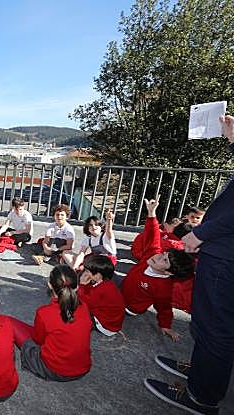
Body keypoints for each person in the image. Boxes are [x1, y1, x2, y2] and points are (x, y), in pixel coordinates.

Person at [144, 114, 234, 414]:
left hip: (225, 255)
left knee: (215, 328)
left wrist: (201, 233)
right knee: (210, 325)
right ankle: (201, 372)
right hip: (222, 251)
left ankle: (201, 396)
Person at [121, 196, 194, 341]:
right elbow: (153, 234)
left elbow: (164, 308)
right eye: (163, 254)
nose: (159, 256)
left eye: (164, 260)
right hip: (122, 288)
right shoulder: (153, 254)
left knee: (96, 294)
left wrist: (165, 325)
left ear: (168, 272)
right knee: (99, 267)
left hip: (129, 307)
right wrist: (151, 213)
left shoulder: (163, 287)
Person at [13, 264, 92, 381]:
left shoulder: (44, 312)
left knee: (10, 323)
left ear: (49, 284)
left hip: (54, 370)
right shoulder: (84, 307)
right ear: (76, 287)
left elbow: (39, 341)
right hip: (82, 368)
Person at [78, 255, 125, 336]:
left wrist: (82, 285)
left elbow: (83, 302)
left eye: (87, 271)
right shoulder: (106, 283)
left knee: (75, 312)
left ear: (98, 275)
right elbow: (91, 293)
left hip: (106, 326)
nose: (85, 273)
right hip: (112, 322)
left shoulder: (102, 289)